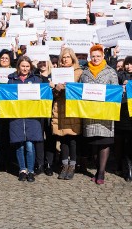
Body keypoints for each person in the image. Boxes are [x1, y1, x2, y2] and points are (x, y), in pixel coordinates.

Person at [79, 45, 118, 185]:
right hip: (90, 114)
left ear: (103, 57)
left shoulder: (110, 72)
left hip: (105, 113)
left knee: (104, 142)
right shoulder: (84, 73)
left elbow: (116, 92)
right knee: (93, 143)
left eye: (98, 56)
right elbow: (79, 90)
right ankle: (97, 169)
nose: (95, 59)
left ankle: (101, 172)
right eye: (93, 56)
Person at [7, 56, 44, 182]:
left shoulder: (36, 79)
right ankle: (22, 169)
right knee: (19, 145)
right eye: (23, 66)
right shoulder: (11, 79)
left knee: (29, 145)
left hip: (31, 117)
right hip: (17, 116)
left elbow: (41, 95)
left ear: (30, 67)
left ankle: (31, 170)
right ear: (18, 66)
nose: (25, 68)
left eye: (27, 66)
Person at [51, 48, 82, 180]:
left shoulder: (79, 72)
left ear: (73, 58)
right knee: (62, 137)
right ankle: (64, 165)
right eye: (63, 57)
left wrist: (70, 87)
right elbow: (53, 94)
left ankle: (72, 165)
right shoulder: (56, 72)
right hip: (60, 107)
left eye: (68, 57)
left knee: (72, 138)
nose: (65, 59)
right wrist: (55, 88)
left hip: (73, 107)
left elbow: (81, 90)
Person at [114, 56, 132, 182]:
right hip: (123, 113)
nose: (129, 66)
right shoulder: (119, 75)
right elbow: (113, 90)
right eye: (127, 64)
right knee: (125, 143)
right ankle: (128, 168)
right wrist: (122, 86)